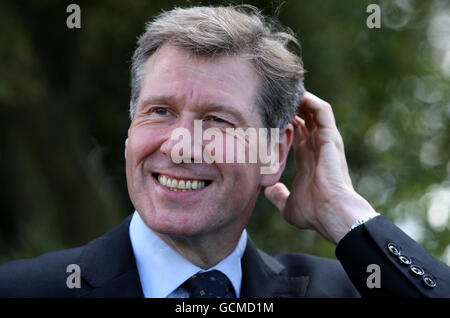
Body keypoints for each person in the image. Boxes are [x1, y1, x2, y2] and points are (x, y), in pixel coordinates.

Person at [0, 5, 449, 298]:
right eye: (159, 111)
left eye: (217, 120)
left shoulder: (344, 291)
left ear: (274, 153)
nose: (179, 144)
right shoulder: (22, 291)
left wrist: (346, 215)